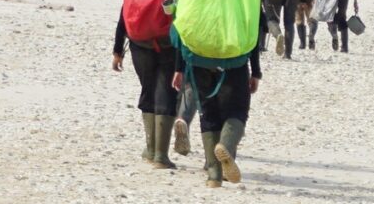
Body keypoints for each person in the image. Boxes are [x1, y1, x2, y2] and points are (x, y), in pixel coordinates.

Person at [173, 42, 261, 185]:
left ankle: (214, 176)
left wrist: (179, 67)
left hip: (199, 59)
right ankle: (226, 145)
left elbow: (181, 32)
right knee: (237, 111)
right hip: (234, 62)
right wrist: (256, 71)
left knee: (208, 112)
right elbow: (254, 36)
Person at [110, 11, 178, 169]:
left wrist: (118, 52)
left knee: (148, 89)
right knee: (167, 94)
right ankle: (161, 156)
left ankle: (150, 150)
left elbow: (124, 18)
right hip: (169, 45)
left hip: (140, 45)